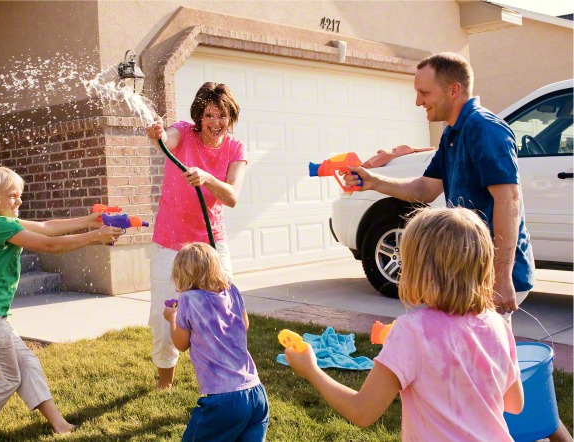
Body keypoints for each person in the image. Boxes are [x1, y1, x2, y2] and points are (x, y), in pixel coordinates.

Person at [344, 52, 572, 442]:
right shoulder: (453, 133)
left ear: (454, 89)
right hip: (469, 274)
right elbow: (424, 189)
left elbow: (509, 199)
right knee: (493, 378)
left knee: (498, 385)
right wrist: (374, 182)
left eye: (424, 92)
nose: (419, 101)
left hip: (489, 275)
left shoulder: (485, 129)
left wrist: (499, 279)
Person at [286, 207, 524, 441]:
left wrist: (311, 370)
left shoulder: (412, 330)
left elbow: (361, 411)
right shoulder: (498, 324)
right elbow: (515, 404)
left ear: (420, 270)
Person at [0, 166, 123, 441]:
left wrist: (90, 220)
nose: (19, 201)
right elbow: (47, 244)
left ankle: (59, 424)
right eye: (12, 196)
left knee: (28, 364)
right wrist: (94, 237)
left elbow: (46, 227)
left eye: (20, 195)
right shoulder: (1, 225)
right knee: (5, 380)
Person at [145, 82, 247, 390]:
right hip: (169, 242)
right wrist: (158, 135)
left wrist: (207, 178)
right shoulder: (184, 132)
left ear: (230, 117)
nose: (216, 123)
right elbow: (168, 138)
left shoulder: (235, 148)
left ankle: (228, 375)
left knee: (227, 311)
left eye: (222, 116)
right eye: (209, 115)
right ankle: (165, 383)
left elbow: (231, 196)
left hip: (211, 244)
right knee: (164, 316)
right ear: (198, 117)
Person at [163, 242, 269, 442]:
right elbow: (244, 324)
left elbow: (181, 344)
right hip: (256, 392)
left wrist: (172, 318)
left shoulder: (187, 299)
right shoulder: (232, 291)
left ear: (182, 274)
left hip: (223, 400)